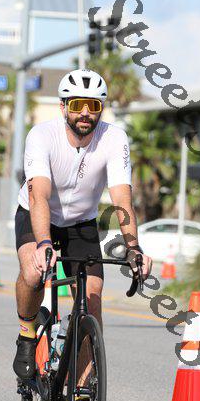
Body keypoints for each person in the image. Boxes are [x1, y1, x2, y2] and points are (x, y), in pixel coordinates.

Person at [13, 68, 153, 381]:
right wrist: (43, 243)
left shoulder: (114, 138)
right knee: (33, 273)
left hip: (81, 222)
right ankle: (26, 334)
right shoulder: (41, 135)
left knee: (92, 298)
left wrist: (133, 247)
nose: (86, 113)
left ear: (102, 108)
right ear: (63, 107)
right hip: (37, 215)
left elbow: (122, 199)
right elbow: (39, 195)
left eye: (94, 105)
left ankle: (84, 387)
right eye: (77, 105)